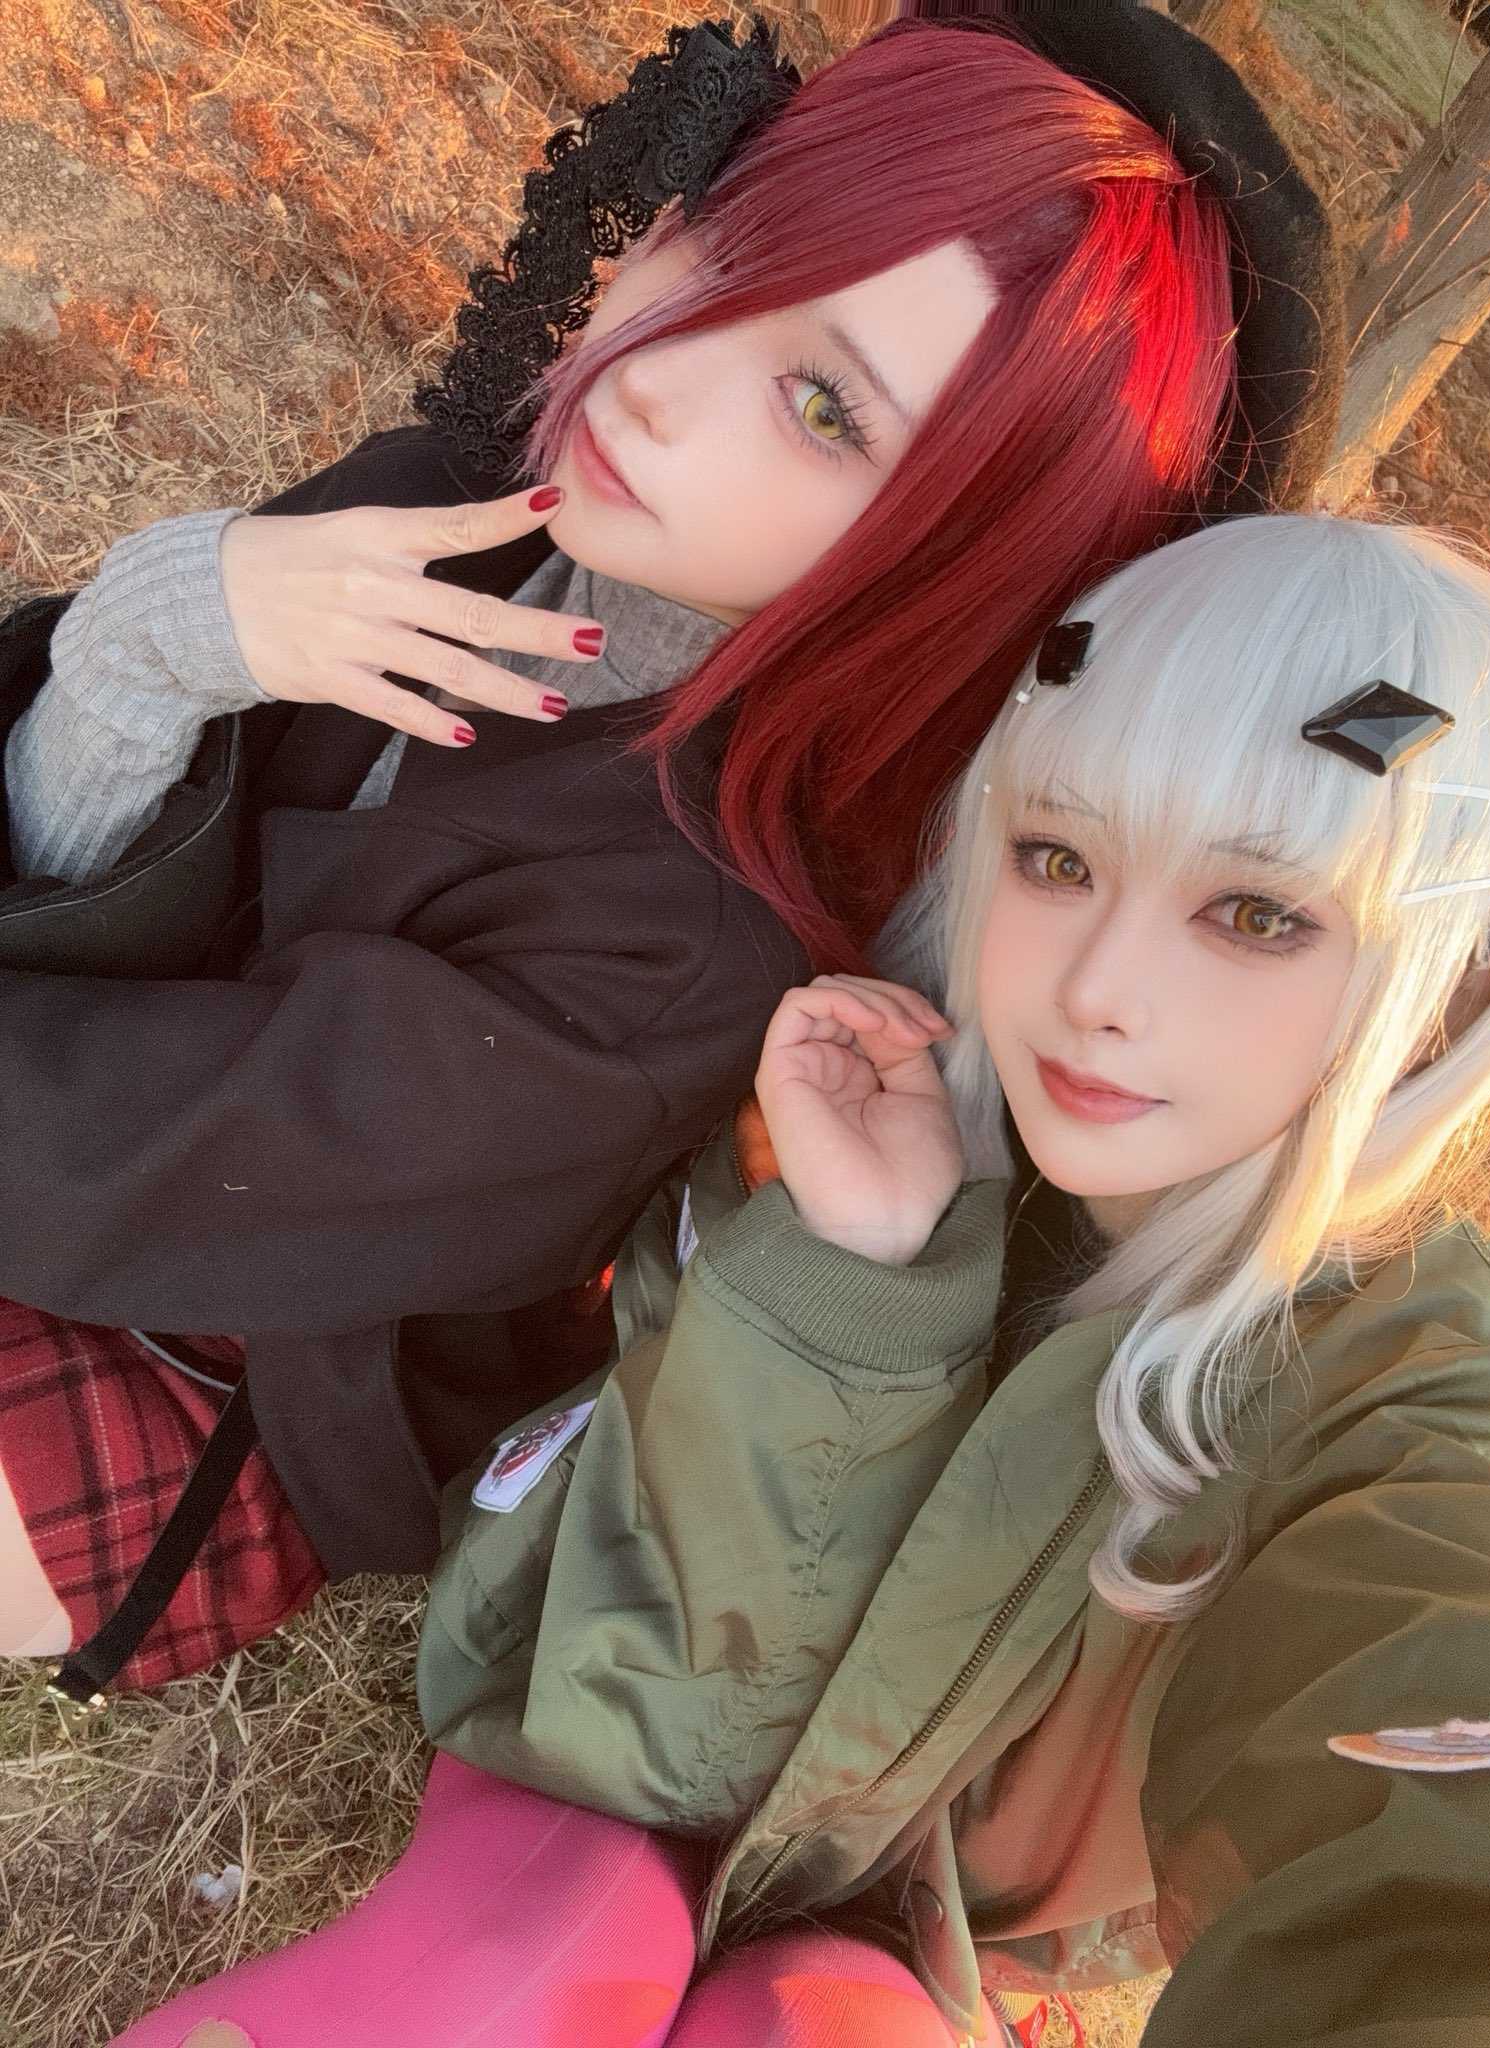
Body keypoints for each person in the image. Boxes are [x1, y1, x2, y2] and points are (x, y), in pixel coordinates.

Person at [0, 6, 1341, 1698]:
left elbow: (134, 1155)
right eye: (723, 234)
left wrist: (135, 664)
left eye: (825, 408)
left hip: (236, 1386)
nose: (654, 365)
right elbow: (63, 896)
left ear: (962, 558)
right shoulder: (451, 517)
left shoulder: (687, 928)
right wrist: (141, 660)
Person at [114, 512, 1490, 2046]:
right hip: (584, 1778)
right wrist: (851, 1278)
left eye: (1258, 915)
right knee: (500, 1971)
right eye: (1057, 857)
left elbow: (1449, 1835)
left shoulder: (1425, 1414)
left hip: (917, 1946)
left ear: (1472, 977)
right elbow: (631, 1719)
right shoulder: (853, 1085)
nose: (1097, 990)